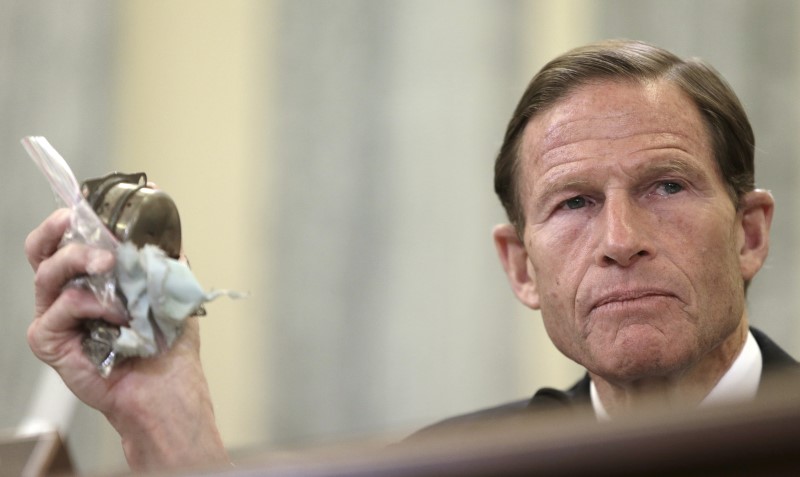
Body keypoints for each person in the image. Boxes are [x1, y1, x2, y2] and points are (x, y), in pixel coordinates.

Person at [23, 39, 796, 471]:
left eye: (665, 186)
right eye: (575, 203)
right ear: (521, 267)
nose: (622, 240)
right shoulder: (452, 465)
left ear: (749, 232)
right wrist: (167, 414)